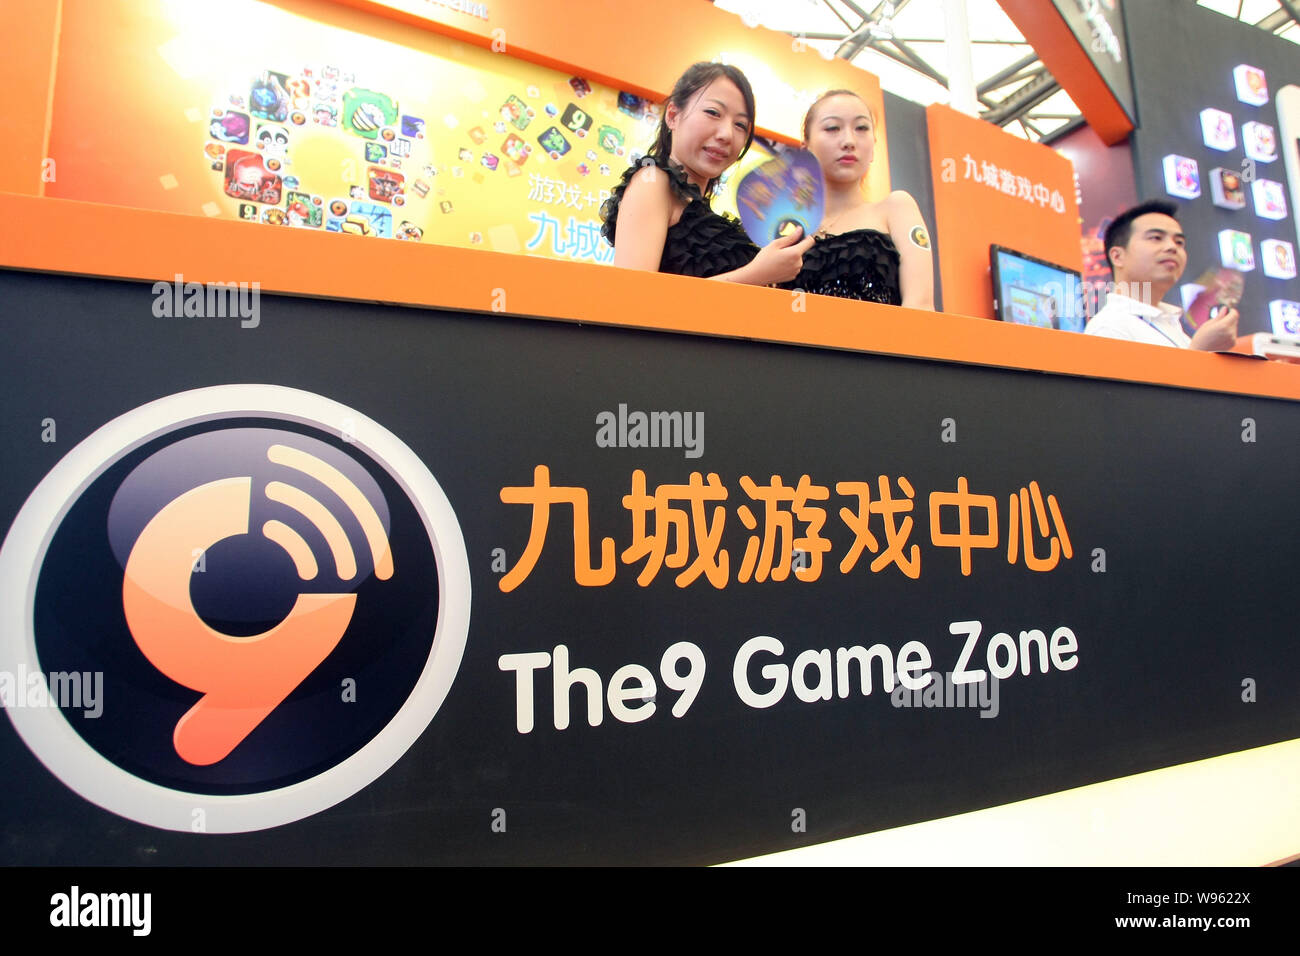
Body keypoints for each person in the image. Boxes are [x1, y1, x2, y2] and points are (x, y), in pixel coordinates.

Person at [600, 62, 813, 283]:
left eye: (740, 125)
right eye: (713, 113)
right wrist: (756, 274)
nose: (726, 134)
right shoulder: (653, 182)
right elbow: (633, 297)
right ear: (672, 115)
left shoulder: (694, 205)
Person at [784, 90, 934, 309]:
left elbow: (921, 306)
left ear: (873, 145)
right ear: (806, 148)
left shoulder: (896, 208)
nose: (849, 141)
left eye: (861, 128)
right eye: (833, 128)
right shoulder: (790, 237)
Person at [1085, 200, 1238, 349]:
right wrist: (1200, 351)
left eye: (1179, 242)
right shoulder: (1109, 328)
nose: (1172, 247)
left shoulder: (1172, 326)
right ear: (1118, 257)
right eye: (1156, 238)